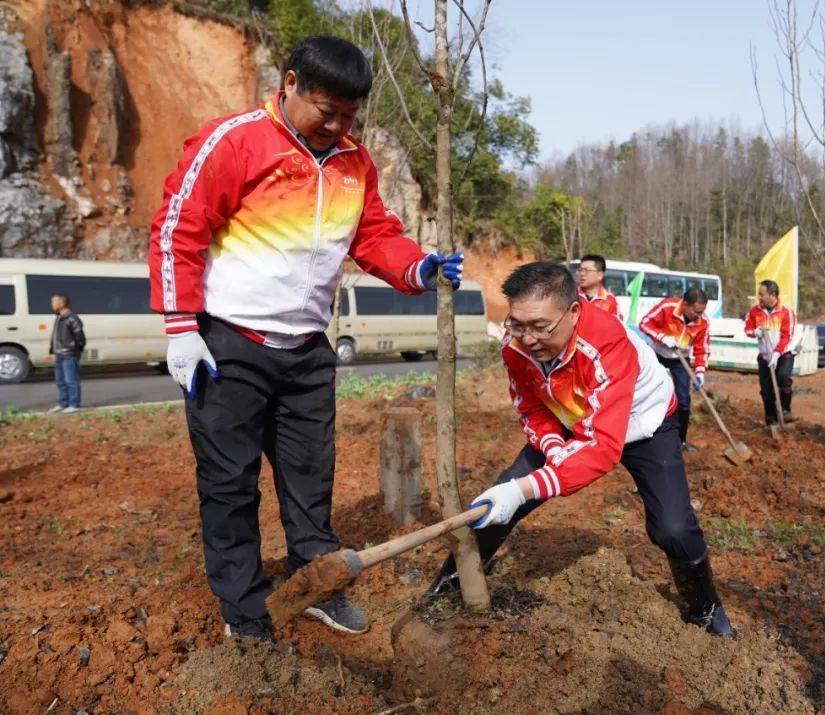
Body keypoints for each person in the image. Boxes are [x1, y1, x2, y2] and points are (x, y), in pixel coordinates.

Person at [147, 35, 463, 641]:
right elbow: (177, 230)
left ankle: (315, 584)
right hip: (229, 346)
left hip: (308, 352)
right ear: (289, 83)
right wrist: (182, 328)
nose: (338, 126)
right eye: (327, 111)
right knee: (230, 482)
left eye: (350, 115)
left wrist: (416, 266)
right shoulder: (235, 142)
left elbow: (373, 234)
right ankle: (244, 608)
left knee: (310, 479)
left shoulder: (354, 163)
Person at [426, 262, 734, 637]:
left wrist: (526, 487)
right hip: (569, 416)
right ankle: (453, 582)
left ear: (573, 311)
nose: (528, 338)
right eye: (518, 324)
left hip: (643, 424)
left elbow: (602, 447)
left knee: (672, 527)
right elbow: (531, 406)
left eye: (540, 327)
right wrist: (551, 444)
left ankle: (705, 606)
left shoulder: (607, 343)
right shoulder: (517, 346)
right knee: (497, 500)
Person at [638, 287, 710, 451]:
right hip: (657, 355)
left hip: (680, 359)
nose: (699, 316)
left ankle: (680, 441)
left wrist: (699, 372)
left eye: (702, 312)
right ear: (685, 304)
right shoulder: (667, 307)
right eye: (696, 312)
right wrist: (662, 337)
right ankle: (645, 435)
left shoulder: (702, 322)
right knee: (650, 394)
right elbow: (644, 323)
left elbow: (702, 348)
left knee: (683, 401)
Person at [744, 280, 796, 426]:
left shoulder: (786, 312)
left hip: (784, 354)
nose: (759, 297)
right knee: (766, 390)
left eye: (762, 294)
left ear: (772, 295)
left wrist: (777, 353)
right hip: (765, 355)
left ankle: (785, 410)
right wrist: (756, 332)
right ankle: (771, 418)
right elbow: (747, 329)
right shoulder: (755, 312)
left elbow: (787, 336)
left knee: (783, 378)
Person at [48, 294, 85, 414]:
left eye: (54, 301)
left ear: (62, 303)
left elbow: (80, 337)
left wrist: (75, 350)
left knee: (71, 380)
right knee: (60, 381)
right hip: (59, 354)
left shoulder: (71, 318)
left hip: (69, 354)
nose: (52, 304)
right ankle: (63, 403)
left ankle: (74, 404)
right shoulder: (59, 317)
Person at [576, 254, 621, 319]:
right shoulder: (572, 295)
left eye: (587, 270)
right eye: (580, 270)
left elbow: (615, 326)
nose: (582, 274)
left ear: (600, 275)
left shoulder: (610, 301)